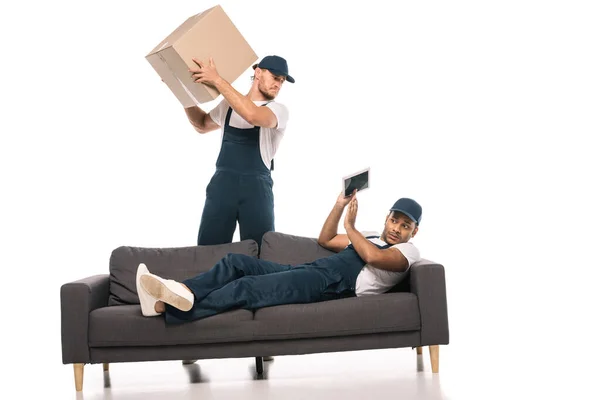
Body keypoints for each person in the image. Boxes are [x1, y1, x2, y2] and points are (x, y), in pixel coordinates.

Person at [135, 190, 423, 323]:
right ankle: (184, 291)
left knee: (245, 287)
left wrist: (350, 225)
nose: (397, 229)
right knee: (236, 261)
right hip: (314, 270)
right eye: (394, 221)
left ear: (414, 231)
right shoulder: (370, 235)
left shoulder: (408, 252)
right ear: (387, 219)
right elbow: (326, 239)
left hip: (332, 286)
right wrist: (339, 205)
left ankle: (164, 308)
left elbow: (372, 257)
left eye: (405, 225)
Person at [183, 55, 294, 247]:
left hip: (257, 190)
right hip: (222, 186)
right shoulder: (228, 106)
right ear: (258, 72)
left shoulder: (278, 110)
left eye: (282, 81)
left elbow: (252, 115)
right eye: (275, 77)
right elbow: (201, 125)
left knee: (260, 253)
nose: (278, 84)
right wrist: (182, 94)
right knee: (207, 252)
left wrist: (217, 79)